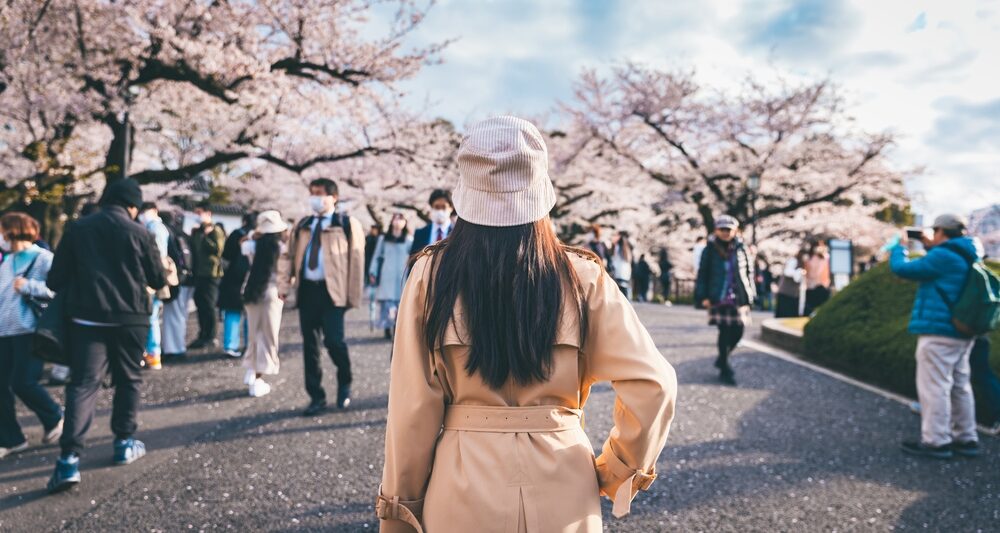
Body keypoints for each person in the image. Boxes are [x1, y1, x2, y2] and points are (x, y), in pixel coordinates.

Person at [376, 116, 677, 533]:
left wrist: (400, 510)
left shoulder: (430, 275)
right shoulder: (581, 275)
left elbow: (411, 411)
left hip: (462, 484)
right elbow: (654, 383)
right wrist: (615, 470)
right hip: (565, 483)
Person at [45, 178, 166, 493]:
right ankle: (124, 442)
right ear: (133, 205)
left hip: (87, 319)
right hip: (131, 319)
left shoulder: (78, 229)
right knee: (129, 379)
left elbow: (55, 280)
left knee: (83, 384)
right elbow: (156, 277)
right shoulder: (141, 233)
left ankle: (69, 460)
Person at [890, 214, 981, 459]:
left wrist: (899, 247)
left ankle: (936, 441)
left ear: (941, 231)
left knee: (935, 387)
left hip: (939, 331)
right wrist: (930, 245)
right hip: (962, 331)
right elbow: (944, 261)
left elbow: (902, 269)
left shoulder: (942, 256)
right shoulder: (968, 253)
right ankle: (966, 437)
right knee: (960, 386)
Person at [278, 178, 364, 416]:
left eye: (320, 194)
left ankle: (344, 381)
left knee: (335, 342)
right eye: (312, 193)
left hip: (333, 293)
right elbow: (287, 256)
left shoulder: (346, 224)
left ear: (333, 197)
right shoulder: (303, 225)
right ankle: (316, 396)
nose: (315, 198)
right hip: (307, 291)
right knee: (310, 347)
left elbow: (356, 263)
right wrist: (284, 285)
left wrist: (352, 297)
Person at [0, 213, 62, 459]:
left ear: (12, 231)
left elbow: (60, 290)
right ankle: (10, 438)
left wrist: (29, 287)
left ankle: (54, 416)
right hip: (4, 331)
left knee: (23, 382)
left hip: (29, 329)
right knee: (1, 386)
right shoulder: (7, 261)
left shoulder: (43, 258)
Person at [694, 216, 756, 386]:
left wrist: (751, 294)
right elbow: (703, 274)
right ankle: (725, 368)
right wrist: (703, 296)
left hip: (738, 296)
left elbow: (749, 272)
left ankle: (722, 359)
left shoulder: (742, 248)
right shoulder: (710, 249)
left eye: (728, 229)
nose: (725, 232)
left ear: (735, 230)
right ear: (716, 230)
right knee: (724, 331)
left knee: (739, 331)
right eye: (722, 229)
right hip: (718, 297)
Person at [240, 211, 288, 398]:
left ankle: (251, 372)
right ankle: (258, 379)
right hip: (272, 292)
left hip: (251, 290)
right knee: (268, 336)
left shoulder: (251, 245)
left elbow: (242, 241)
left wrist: (254, 234)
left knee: (253, 334)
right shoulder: (281, 248)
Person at [369, 213, 413, 339]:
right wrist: (373, 272)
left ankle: (396, 327)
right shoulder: (383, 239)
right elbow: (376, 256)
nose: (398, 221)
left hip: (402, 275)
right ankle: (387, 327)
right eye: (396, 218)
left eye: (401, 219)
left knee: (400, 302)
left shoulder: (409, 240)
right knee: (387, 303)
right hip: (387, 274)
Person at [138, 202, 170, 370]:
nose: (143, 215)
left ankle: (153, 353)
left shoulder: (154, 229)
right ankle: (153, 353)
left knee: (151, 317)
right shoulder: (158, 228)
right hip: (156, 276)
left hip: (151, 278)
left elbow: (154, 257)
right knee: (153, 316)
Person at [218, 213, 256, 358]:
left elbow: (226, 255)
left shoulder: (235, 234)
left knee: (232, 313)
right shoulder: (260, 237)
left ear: (244, 221)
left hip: (233, 279)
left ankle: (230, 345)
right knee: (251, 314)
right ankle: (249, 344)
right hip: (252, 278)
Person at [188, 204, 225, 350]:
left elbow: (218, 249)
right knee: (200, 303)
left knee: (209, 305)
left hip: (212, 273)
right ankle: (203, 333)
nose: (198, 216)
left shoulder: (216, 230)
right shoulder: (197, 231)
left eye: (200, 213)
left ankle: (211, 336)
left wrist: (205, 235)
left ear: (208, 214)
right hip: (199, 273)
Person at [161, 211, 194, 359]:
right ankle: (178, 346)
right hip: (188, 279)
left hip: (176, 279)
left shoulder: (167, 233)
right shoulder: (183, 234)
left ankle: (173, 349)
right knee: (181, 315)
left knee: (172, 315)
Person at [409, 189, 454, 256]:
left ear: (451, 208)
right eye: (436, 207)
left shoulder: (457, 234)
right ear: (431, 207)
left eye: (444, 207)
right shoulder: (420, 234)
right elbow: (412, 260)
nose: (440, 211)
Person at [775, 247, 808, 318]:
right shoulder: (793, 261)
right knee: (784, 315)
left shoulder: (802, 263)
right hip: (786, 293)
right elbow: (787, 272)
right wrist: (798, 272)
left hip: (793, 295)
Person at [804, 240, 832, 315]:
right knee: (811, 307)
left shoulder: (825, 257)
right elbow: (807, 272)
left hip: (822, 285)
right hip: (811, 286)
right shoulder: (808, 258)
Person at [609, 231, 633, 298]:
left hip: (618, 272)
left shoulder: (617, 247)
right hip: (625, 274)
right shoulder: (627, 248)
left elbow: (614, 259)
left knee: (617, 292)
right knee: (625, 291)